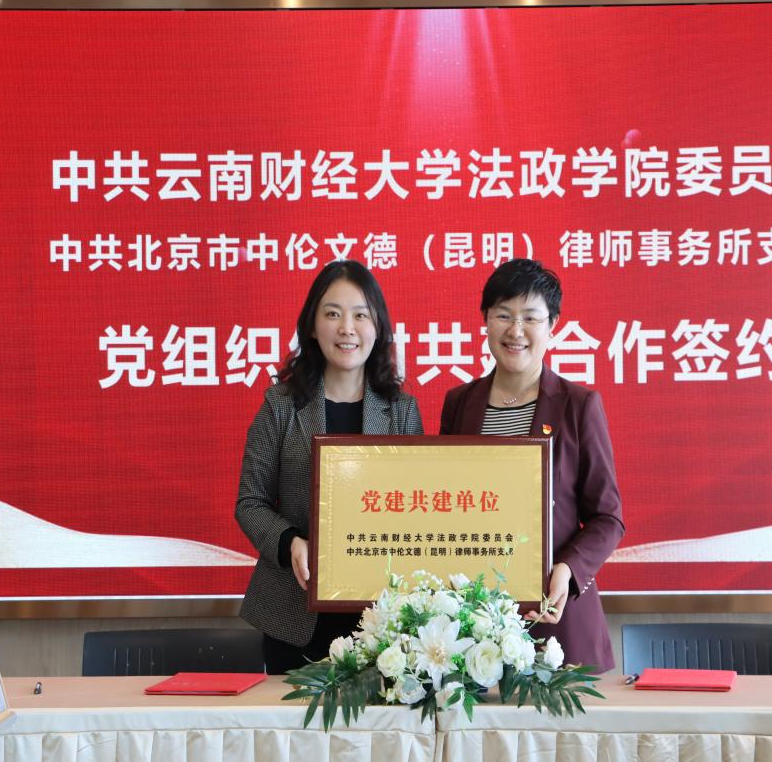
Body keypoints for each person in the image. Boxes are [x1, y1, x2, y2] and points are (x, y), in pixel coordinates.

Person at [236, 260, 424, 674]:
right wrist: (290, 543)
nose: (347, 329)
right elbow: (250, 501)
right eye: (333, 314)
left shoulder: (401, 411)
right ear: (312, 326)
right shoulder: (280, 406)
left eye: (360, 315)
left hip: (381, 614)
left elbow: (416, 507)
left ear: (378, 327)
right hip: (294, 609)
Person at [439, 259, 624, 672]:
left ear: (552, 325)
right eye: (503, 315)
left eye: (530, 318)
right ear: (486, 320)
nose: (515, 330)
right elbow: (448, 504)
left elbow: (608, 518)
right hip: (473, 621)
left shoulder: (579, 405)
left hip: (556, 620)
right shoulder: (460, 404)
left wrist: (568, 570)